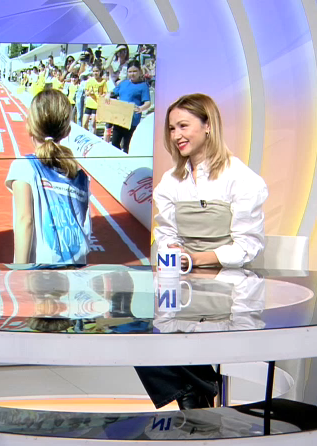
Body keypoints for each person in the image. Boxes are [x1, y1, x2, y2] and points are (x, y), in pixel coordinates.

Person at [135, 93, 269, 410]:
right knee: (137, 331)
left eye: (183, 126)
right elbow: (166, 235)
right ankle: (199, 389)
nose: (176, 135)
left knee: (170, 337)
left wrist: (195, 260)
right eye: (171, 129)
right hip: (183, 285)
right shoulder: (170, 182)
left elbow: (247, 246)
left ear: (208, 126)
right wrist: (173, 254)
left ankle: (195, 396)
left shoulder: (241, 178)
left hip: (230, 288)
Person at [6, 89, 91, 265]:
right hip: (76, 266)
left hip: (40, 270)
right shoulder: (79, 175)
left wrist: (20, 272)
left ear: (29, 126)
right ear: (67, 131)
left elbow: (25, 221)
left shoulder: (24, 166)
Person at [108, 60, 151, 154]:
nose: (132, 74)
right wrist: (108, 94)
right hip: (119, 118)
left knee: (127, 146)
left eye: (135, 71)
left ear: (140, 71)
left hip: (132, 121)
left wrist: (141, 108)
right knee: (115, 143)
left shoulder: (143, 86)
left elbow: (147, 102)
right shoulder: (124, 83)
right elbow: (113, 92)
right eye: (130, 71)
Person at [82, 69, 107, 134]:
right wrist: (89, 93)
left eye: (97, 71)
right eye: (94, 71)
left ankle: (93, 135)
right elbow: (86, 92)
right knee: (84, 122)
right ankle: (86, 134)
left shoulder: (103, 81)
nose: (95, 73)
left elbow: (105, 92)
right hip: (89, 104)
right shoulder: (89, 81)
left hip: (97, 104)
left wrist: (102, 96)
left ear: (100, 72)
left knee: (93, 122)